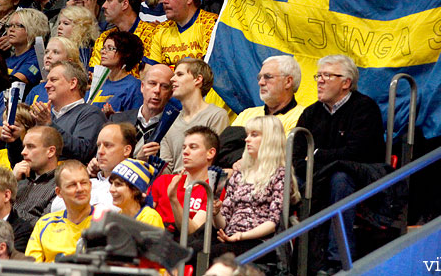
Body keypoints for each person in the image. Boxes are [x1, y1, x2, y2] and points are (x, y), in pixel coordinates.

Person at [293, 55, 385, 272]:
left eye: (327, 76)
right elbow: (296, 156)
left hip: (359, 176)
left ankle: (338, 259)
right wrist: (320, 159)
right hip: (317, 174)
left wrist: (316, 154)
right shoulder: (311, 113)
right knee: (285, 181)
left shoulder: (364, 108)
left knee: (340, 179)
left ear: (346, 83)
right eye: (318, 75)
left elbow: (356, 153)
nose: (320, 81)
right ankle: (281, 255)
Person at [211, 116, 297, 258]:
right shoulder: (239, 173)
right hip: (232, 238)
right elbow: (224, 223)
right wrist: (216, 213)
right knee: (195, 248)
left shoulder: (280, 174)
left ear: (270, 139)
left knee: (213, 254)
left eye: (254, 135)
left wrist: (241, 236)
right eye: (248, 135)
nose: (247, 139)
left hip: (262, 242)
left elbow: (273, 222)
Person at [159, 58, 229, 173]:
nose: (172, 79)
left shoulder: (216, 115)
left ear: (198, 79)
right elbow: (166, 168)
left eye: (179, 74)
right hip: (173, 186)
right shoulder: (169, 121)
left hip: (202, 186)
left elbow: (216, 161)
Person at [31, 61, 106, 163]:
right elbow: (29, 159)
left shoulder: (91, 114)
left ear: (72, 83)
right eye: (47, 80)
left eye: (53, 80)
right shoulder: (47, 118)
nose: (46, 85)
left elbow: (82, 151)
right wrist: (13, 141)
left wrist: (49, 124)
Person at [151, 126, 219, 236]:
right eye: (184, 147)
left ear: (210, 153)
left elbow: (192, 232)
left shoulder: (212, 188)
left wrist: (173, 199)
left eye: (193, 147)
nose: (185, 152)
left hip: (180, 245)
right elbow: (141, 215)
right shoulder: (164, 180)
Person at [25, 160, 93, 262]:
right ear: (59, 192)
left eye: (84, 183)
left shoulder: (105, 223)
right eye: (72, 185)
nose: (80, 189)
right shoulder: (45, 224)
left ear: (90, 185)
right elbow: (31, 268)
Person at [146, 0, 218, 67]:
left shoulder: (210, 24)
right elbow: (149, 71)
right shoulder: (160, 29)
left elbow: (209, 70)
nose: (165, 1)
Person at [90, 0, 156, 77]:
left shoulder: (153, 34)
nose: (104, 6)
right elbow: (93, 76)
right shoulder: (103, 38)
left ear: (125, 4)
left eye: (109, 0)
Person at [110, 64, 176, 157]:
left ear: (171, 93)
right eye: (152, 83)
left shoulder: (174, 127)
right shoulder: (117, 121)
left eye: (164, 86)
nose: (157, 90)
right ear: (142, 87)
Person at [11, 126, 63, 222]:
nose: (23, 152)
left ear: (50, 151)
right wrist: (11, 181)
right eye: (24, 147)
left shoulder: (60, 184)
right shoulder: (19, 177)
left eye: (30, 147)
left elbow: (44, 226)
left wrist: (7, 210)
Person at [88, 32, 143, 114]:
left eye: (110, 48)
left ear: (126, 54)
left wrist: (114, 117)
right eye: (103, 48)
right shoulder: (98, 82)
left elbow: (132, 120)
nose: (103, 52)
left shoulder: (134, 86)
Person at [108, 158, 164, 227]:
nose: (111, 189)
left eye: (118, 184)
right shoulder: (118, 217)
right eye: (111, 183)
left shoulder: (150, 218)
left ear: (135, 190)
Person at [25, 36, 81, 105]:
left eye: (55, 52)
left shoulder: (77, 90)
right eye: (46, 52)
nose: (48, 56)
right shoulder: (36, 90)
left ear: (69, 61)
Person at [5, 8, 49, 86]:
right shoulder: (8, 60)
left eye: (18, 25)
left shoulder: (38, 59)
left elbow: (15, 82)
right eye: (10, 25)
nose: (11, 29)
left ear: (34, 29)